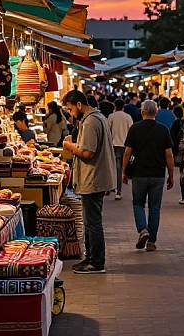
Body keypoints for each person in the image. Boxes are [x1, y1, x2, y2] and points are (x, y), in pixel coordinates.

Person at [62, 90, 116, 274]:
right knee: (90, 221)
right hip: (94, 177)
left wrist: (70, 146)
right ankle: (90, 258)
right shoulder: (95, 118)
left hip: (93, 178)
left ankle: (97, 262)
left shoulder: (91, 121)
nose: (70, 113)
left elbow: (88, 152)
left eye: (70, 109)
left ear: (78, 105)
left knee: (93, 222)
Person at [123, 100, 174, 251]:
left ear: (142, 111)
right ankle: (151, 241)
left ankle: (142, 229)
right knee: (155, 207)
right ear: (156, 112)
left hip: (139, 173)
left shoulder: (135, 128)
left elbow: (127, 153)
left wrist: (124, 171)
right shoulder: (163, 130)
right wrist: (171, 175)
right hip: (158, 174)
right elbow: (169, 155)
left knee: (138, 203)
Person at [108, 98, 133, 200]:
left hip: (114, 145)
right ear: (123, 107)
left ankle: (115, 189)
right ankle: (119, 189)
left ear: (115, 106)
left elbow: (108, 131)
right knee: (124, 167)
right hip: (126, 145)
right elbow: (132, 131)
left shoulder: (111, 116)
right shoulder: (128, 117)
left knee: (116, 168)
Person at [170, 106, 184, 205]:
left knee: (182, 172)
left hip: (181, 151)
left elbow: (172, 138)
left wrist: (173, 153)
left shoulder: (176, 123)